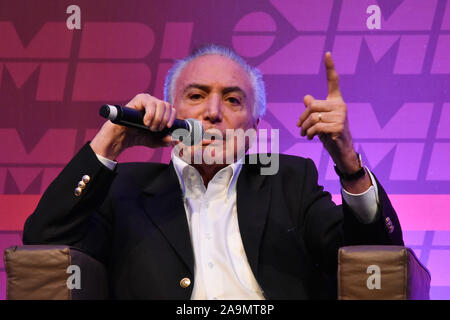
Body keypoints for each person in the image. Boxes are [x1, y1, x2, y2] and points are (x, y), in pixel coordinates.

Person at [22, 45, 403, 299]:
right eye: (196, 95)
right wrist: (112, 141)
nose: (213, 112)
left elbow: (374, 257)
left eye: (233, 99)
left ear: (253, 127)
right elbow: (44, 240)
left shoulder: (290, 180)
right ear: (169, 112)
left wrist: (348, 162)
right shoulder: (125, 187)